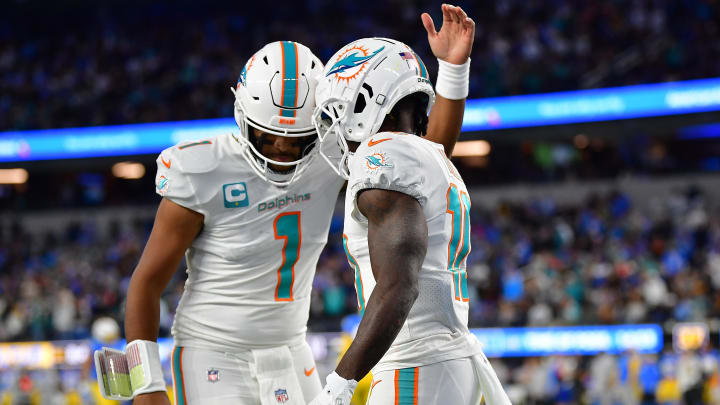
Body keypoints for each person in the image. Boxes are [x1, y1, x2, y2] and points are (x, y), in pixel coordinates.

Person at [122, 4, 473, 405]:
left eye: (297, 140)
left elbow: (424, 159)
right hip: (212, 350)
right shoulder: (202, 169)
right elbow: (145, 283)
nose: (283, 150)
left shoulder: (331, 152)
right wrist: (145, 386)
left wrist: (453, 70)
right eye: (268, 137)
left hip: (291, 349)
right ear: (242, 116)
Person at [309, 8, 511, 405]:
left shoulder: (380, 156)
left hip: (413, 366)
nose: (335, 128)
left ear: (365, 100)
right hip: (447, 362)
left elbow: (400, 285)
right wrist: (453, 71)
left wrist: (339, 386)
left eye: (338, 111)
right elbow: (437, 145)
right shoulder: (422, 155)